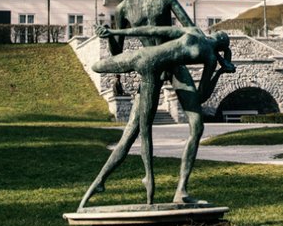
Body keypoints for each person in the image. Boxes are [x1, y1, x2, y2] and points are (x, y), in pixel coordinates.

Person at [79, 0, 217, 209]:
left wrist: (208, 50)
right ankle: (98, 183)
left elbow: (189, 28)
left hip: (173, 62)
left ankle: (182, 190)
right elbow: (117, 53)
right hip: (149, 69)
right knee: (130, 134)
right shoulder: (123, 10)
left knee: (196, 125)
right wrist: (108, 35)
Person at [79, 25, 234, 209]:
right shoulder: (209, 55)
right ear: (222, 47)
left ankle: (102, 184)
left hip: (142, 56)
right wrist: (220, 71)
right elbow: (201, 96)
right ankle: (144, 181)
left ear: (216, 37)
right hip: (150, 69)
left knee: (134, 131)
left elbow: (154, 30)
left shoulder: (193, 32)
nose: (220, 35)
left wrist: (115, 32)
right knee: (142, 134)